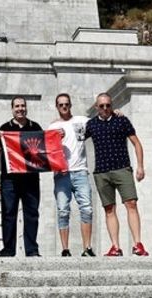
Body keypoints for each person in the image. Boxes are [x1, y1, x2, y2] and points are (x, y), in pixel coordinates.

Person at [85, 93, 147, 257]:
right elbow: (74, 139)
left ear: (111, 105)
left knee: (131, 204)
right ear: (96, 107)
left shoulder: (122, 120)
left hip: (122, 169)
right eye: (102, 106)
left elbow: (137, 143)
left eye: (108, 105)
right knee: (109, 209)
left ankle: (138, 244)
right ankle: (115, 247)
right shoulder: (91, 125)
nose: (105, 108)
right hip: (102, 172)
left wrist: (140, 166)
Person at [48, 94, 95, 257]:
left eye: (66, 104)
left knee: (87, 209)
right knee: (62, 211)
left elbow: (101, 121)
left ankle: (87, 248)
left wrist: (115, 113)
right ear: (57, 106)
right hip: (61, 174)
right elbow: (45, 151)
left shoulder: (82, 120)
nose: (64, 107)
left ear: (70, 105)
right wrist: (55, 139)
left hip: (81, 171)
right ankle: (65, 249)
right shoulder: (52, 127)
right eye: (61, 105)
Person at [0, 96, 43, 256]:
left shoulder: (35, 127)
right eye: (17, 106)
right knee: (8, 214)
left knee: (32, 214)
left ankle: (32, 250)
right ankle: (8, 249)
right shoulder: (4, 128)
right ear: (12, 109)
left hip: (31, 179)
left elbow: (43, 150)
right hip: (10, 180)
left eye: (23, 106)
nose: (20, 109)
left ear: (26, 108)